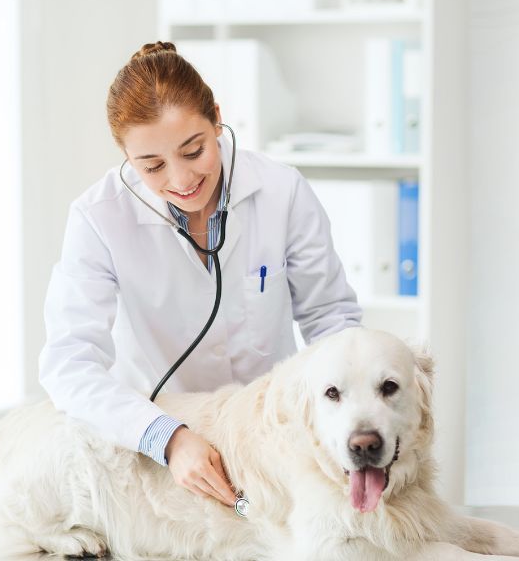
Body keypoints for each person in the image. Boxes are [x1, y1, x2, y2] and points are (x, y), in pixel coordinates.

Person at [38, 41, 362, 510]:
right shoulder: (97, 218)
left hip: (272, 437)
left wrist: (349, 415)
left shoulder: (281, 191)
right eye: (151, 166)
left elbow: (332, 320)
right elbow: (69, 363)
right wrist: (164, 436)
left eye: (194, 150)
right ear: (126, 157)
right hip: (157, 449)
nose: (181, 178)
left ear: (216, 117)